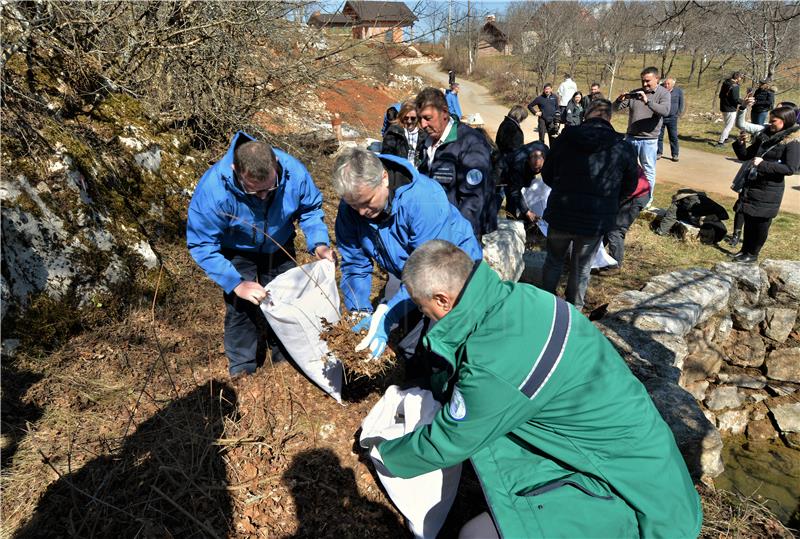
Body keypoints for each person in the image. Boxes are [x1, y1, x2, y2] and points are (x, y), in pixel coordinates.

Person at [372, 239, 703, 539]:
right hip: (643, 465)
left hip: (640, 506)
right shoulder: (525, 299)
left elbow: (451, 439)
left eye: (421, 307)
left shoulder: (496, 359)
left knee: (475, 535)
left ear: (442, 300)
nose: (423, 315)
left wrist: (383, 453)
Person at [187, 132, 335, 378]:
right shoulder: (214, 189)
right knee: (242, 306)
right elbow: (201, 243)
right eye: (254, 191)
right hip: (237, 248)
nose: (264, 196)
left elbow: (310, 209)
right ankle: (242, 366)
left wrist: (318, 243)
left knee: (287, 299)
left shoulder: (293, 173)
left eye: (270, 188)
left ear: (275, 163)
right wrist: (236, 283)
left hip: (280, 243)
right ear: (236, 170)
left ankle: (285, 355)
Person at [333, 148, 482, 368]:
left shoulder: (423, 200)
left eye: (367, 202)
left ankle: (447, 391)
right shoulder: (350, 211)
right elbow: (355, 264)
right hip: (411, 276)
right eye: (355, 205)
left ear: (384, 178)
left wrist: (387, 313)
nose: (362, 212)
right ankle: (418, 382)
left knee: (442, 346)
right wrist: (359, 310)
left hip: (453, 273)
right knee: (410, 346)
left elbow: (429, 271)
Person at [541, 99, 638, 310]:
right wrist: (610, 203)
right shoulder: (623, 146)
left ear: (586, 115)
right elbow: (630, 187)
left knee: (553, 261)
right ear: (609, 117)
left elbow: (547, 174)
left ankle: (543, 306)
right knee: (582, 267)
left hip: (561, 212)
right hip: (594, 220)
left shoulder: (566, 138)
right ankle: (574, 310)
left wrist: (561, 188)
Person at [415, 87, 495, 238]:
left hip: (459, 235)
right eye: (420, 119)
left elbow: (474, 201)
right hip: (432, 229)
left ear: (444, 112)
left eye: (427, 118)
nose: (423, 125)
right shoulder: (426, 142)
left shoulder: (470, 143)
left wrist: (456, 237)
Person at [730, 105, 799, 263]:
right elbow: (746, 156)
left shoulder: (792, 142)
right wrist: (740, 144)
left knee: (761, 223)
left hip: (769, 189)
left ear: (785, 121)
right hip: (753, 184)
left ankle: (753, 254)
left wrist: (763, 165)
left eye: (773, 120)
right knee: (749, 219)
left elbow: (790, 168)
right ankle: (744, 250)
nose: (770, 123)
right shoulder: (764, 135)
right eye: (770, 120)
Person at [614, 66, 670, 204]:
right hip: (631, 137)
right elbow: (613, 109)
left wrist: (648, 101)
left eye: (648, 81)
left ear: (657, 79)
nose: (644, 84)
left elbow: (665, 111)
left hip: (649, 139)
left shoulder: (663, 94)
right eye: (642, 81)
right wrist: (619, 100)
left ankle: (646, 200)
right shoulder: (636, 93)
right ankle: (626, 196)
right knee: (626, 168)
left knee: (648, 170)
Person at [601, 165, 651, 275]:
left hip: (635, 195)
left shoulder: (616, 159)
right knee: (607, 224)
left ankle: (615, 265)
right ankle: (595, 255)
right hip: (627, 192)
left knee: (615, 230)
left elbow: (627, 189)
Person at [503, 141, 548, 222]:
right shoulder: (518, 165)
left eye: (539, 168)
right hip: (507, 168)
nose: (537, 171)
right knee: (511, 196)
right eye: (535, 169)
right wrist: (527, 212)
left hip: (526, 169)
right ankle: (511, 222)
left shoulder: (547, 152)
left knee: (529, 188)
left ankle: (527, 216)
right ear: (528, 161)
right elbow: (515, 191)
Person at [381, 101, 427, 168]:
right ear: (401, 116)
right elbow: (386, 157)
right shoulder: (393, 132)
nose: (409, 121)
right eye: (406, 118)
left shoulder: (424, 134)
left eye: (413, 118)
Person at [658, 77, 685, 162]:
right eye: (665, 83)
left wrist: (678, 114)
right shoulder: (660, 89)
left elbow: (681, 103)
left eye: (668, 84)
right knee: (659, 136)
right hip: (661, 117)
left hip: (672, 118)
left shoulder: (678, 91)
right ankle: (658, 152)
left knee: (673, 137)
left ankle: (675, 154)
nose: (666, 85)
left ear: (673, 84)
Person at [717, 71, 744, 147]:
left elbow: (720, 95)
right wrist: (743, 102)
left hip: (723, 107)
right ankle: (720, 142)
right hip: (730, 108)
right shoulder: (735, 86)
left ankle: (725, 138)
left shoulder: (725, 83)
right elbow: (735, 99)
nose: (741, 79)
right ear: (737, 77)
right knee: (728, 126)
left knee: (726, 124)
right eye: (740, 77)